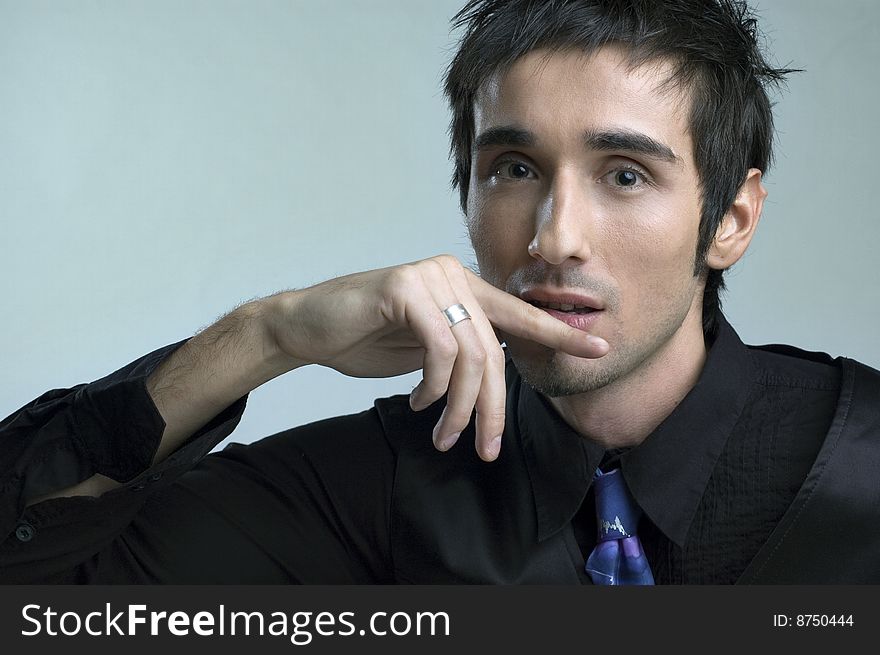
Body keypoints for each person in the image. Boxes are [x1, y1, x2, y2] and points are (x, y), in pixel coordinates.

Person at [2, 0, 879, 584]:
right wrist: (269, 335)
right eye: (514, 167)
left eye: (624, 174)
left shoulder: (858, 463)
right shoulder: (382, 482)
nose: (553, 236)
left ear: (731, 216)